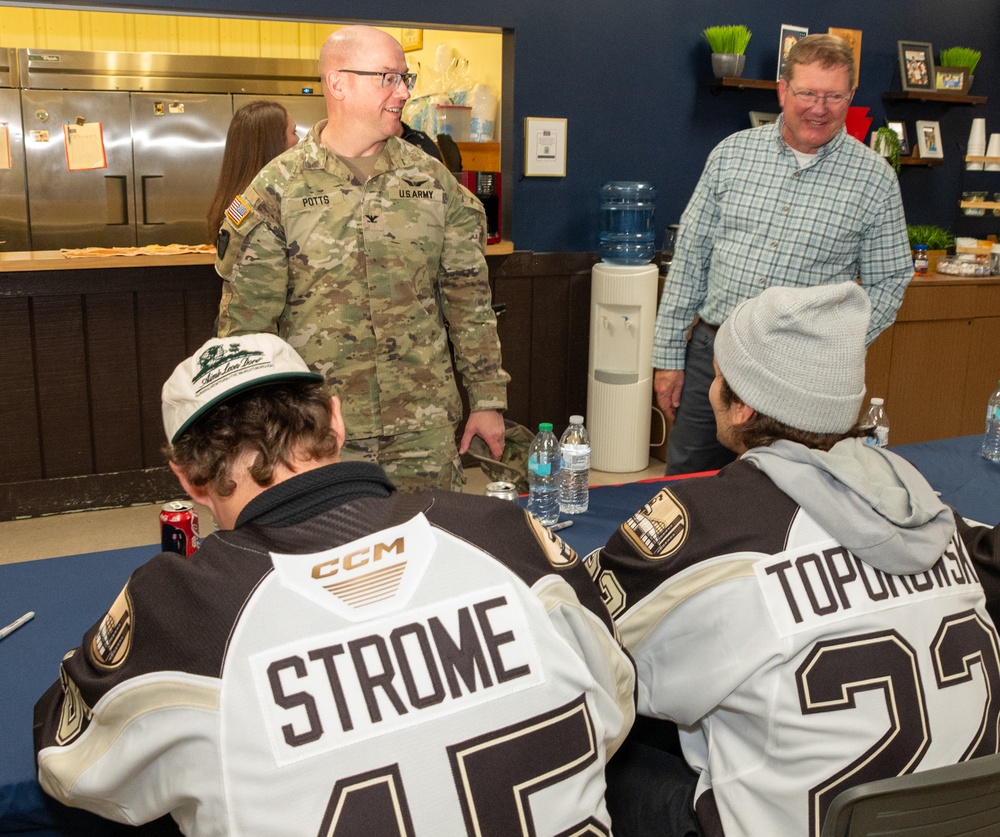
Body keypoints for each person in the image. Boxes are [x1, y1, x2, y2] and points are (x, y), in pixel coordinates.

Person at [34, 333, 635, 836]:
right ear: (338, 421)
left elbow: (71, 764)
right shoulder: (506, 532)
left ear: (187, 478)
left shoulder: (181, 606)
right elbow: (615, 695)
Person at [593, 282, 1000, 837]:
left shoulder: (710, 522)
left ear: (743, 406)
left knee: (590, 752)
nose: (710, 389)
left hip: (800, 824)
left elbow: (591, 640)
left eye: (718, 377)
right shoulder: (921, 503)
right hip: (953, 817)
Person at [214, 25, 508, 493]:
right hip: (318, 431)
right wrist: (257, 431)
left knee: (430, 548)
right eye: (388, 78)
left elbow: (469, 301)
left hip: (423, 426)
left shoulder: (433, 182)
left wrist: (487, 398)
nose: (403, 92)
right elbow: (246, 331)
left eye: (405, 79)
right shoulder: (278, 189)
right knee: (326, 557)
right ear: (338, 83)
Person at [653, 33, 912, 476]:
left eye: (834, 96)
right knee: (690, 478)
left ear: (850, 96)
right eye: (807, 92)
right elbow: (691, 260)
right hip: (713, 357)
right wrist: (667, 357)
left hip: (803, 372)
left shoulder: (875, 179)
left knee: (791, 489)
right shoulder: (731, 156)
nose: (819, 107)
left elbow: (890, 281)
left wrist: (834, 346)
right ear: (783, 91)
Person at [206, 99, 299, 242]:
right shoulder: (261, 208)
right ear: (274, 143)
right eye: (294, 132)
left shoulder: (238, 200)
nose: (299, 140)